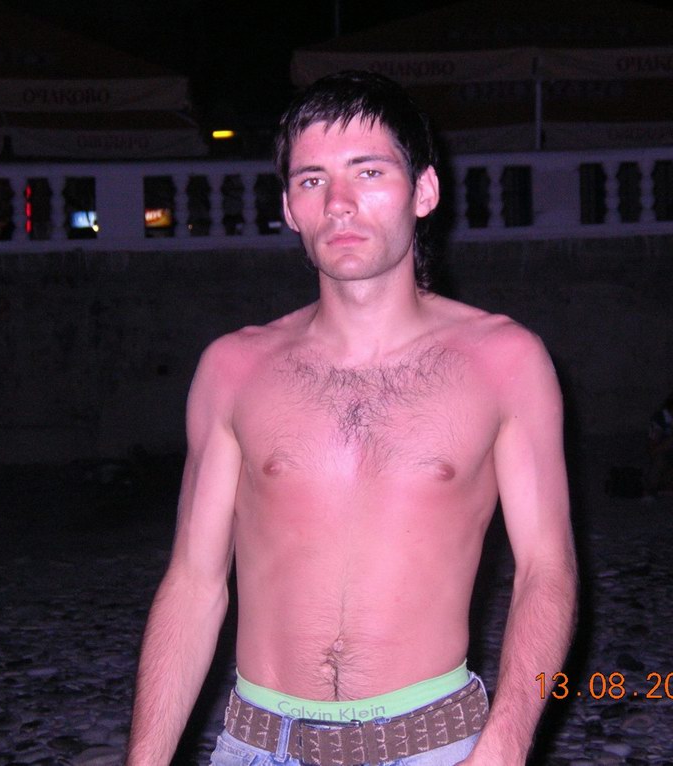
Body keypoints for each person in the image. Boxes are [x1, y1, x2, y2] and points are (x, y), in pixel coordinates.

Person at [125, 71, 578, 766]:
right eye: (312, 180)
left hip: (435, 743)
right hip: (259, 744)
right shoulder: (233, 368)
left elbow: (547, 570)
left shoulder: (505, 362)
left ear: (424, 191)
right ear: (288, 208)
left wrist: (506, 746)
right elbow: (193, 582)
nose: (338, 203)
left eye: (368, 172)